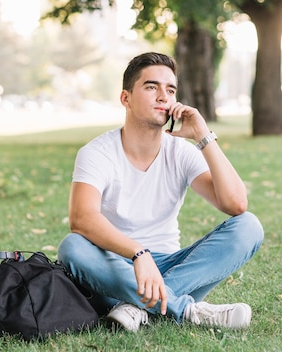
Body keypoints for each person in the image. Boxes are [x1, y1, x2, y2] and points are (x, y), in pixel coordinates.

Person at [57, 52, 264, 333]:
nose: (163, 96)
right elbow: (81, 218)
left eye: (170, 89)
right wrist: (137, 254)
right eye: (151, 87)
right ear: (125, 98)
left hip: (171, 268)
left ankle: (135, 306)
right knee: (72, 247)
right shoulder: (97, 153)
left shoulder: (181, 153)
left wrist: (203, 136)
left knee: (249, 226)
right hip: (115, 270)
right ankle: (188, 309)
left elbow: (236, 204)